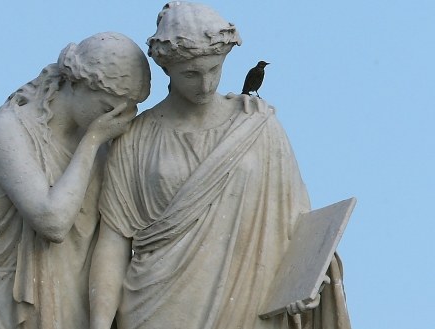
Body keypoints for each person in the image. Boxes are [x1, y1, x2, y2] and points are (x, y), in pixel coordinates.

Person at [89, 2, 350, 329]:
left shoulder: (258, 125)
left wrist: (304, 286)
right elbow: (113, 242)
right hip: (157, 306)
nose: (206, 84)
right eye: (191, 74)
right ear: (166, 69)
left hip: (249, 300)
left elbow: (299, 226)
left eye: (215, 69)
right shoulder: (134, 139)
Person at [0, 32, 151, 329]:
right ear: (77, 83)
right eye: (108, 107)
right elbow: (52, 221)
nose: (118, 119)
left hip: (77, 304)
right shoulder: (6, 130)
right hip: (9, 304)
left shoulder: (102, 148)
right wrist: (93, 140)